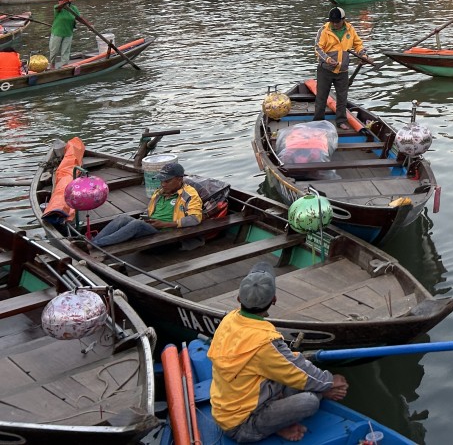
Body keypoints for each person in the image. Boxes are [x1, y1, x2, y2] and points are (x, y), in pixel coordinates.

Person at [209, 261, 348, 442]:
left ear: (238, 299)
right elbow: (297, 372)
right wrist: (329, 383)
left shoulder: (229, 319)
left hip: (229, 408)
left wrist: (324, 382)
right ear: (274, 300)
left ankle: (281, 417)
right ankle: (272, 428)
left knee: (297, 369)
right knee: (310, 401)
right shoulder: (265, 342)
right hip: (242, 425)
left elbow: (291, 364)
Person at [92, 161, 203, 246]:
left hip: (167, 234)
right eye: (162, 181)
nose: (163, 184)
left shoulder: (190, 194)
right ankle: (92, 242)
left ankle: (96, 245)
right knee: (123, 218)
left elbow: (195, 219)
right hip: (152, 227)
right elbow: (150, 211)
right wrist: (146, 217)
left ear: (179, 179)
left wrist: (164, 224)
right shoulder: (159, 192)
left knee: (137, 224)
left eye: (167, 181)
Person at [313, 7, 375, 131]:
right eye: (333, 22)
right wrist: (328, 59)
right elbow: (318, 48)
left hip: (342, 71)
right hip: (325, 70)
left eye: (337, 22)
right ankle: (318, 122)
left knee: (342, 98)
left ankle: (341, 120)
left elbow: (358, 44)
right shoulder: (324, 30)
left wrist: (363, 55)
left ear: (343, 20)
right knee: (321, 97)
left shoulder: (350, 29)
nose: (335, 24)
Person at [48, 0, 78, 69]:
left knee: (65, 51)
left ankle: (65, 65)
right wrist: (67, 1)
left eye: (61, 0)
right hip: (57, 32)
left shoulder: (74, 8)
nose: (59, 1)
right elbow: (58, 7)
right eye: (59, 0)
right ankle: (52, 64)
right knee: (54, 50)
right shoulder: (57, 7)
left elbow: (79, 18)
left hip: (68, 32)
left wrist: (89, 25)